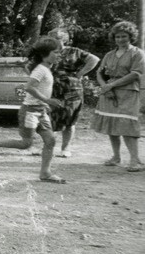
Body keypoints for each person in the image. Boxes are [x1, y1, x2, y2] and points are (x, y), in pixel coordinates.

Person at [0, 37, 66, 183]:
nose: (59, 55)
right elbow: (29, 87)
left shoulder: (46, 68)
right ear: (45, 54)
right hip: (30, 112)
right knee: (26, 143)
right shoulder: (41, 70)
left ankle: (45, 173)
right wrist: (47, 100)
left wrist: (44, 104)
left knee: (50, 140)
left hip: (40, 111)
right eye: (56, 52)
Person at [91, 21, 145, 172]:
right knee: (112, 124)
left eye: (124, 36)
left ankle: (136, 160)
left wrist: (111, 85)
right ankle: (116, 157)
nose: (120, 39)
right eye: (117, 37)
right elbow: (99, 73)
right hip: (108, 94)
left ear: (131, 37)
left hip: (128, 92)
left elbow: (136, 74)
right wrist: (104, 87)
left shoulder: (137, 53)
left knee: (127, 125)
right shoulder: (109, 55)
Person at [48, 28, 100, 157]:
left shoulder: (74, 51)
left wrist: (81, 73)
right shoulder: (47, 53)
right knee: (50, 118)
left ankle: (65, 148)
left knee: (70, 119)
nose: (54, 41)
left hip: (72, 89)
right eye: (51, 38)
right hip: (52, 89)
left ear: (64, 39)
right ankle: (48, 147)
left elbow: (94, 59)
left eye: (57, 38)